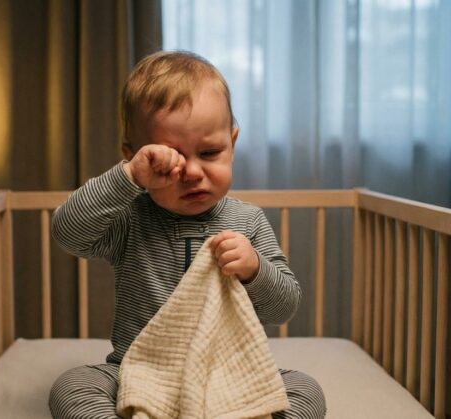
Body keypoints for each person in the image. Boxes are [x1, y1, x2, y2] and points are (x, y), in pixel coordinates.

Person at [49, 50, 326, 418]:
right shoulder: (129, 219)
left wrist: (255, 269)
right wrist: (128, 177)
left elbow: (284, 307)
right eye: (172, 159)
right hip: (140, 372)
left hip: (229, 377)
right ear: (135, 156)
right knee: (73, 386)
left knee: (305, 389)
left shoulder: (248, 221)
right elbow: (67, 232)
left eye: (209, 152)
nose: (193, 172)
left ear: (232, 143)